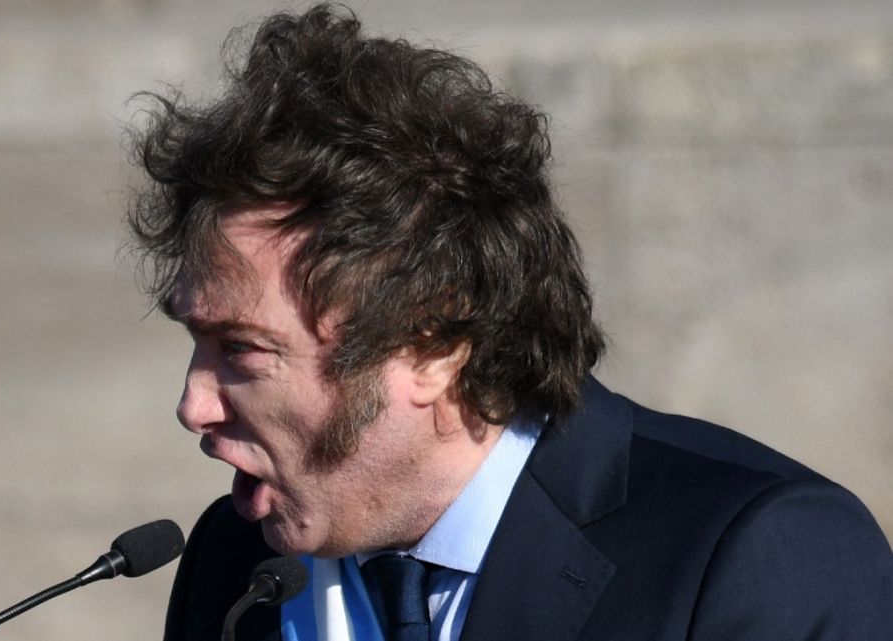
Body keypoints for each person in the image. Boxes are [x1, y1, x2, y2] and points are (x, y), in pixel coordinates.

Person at [127, 4, 893, 640]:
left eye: (243, 349)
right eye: (197, 341)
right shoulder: (233, 569)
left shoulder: (757, 559)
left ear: (433, 344)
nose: (194, 404)